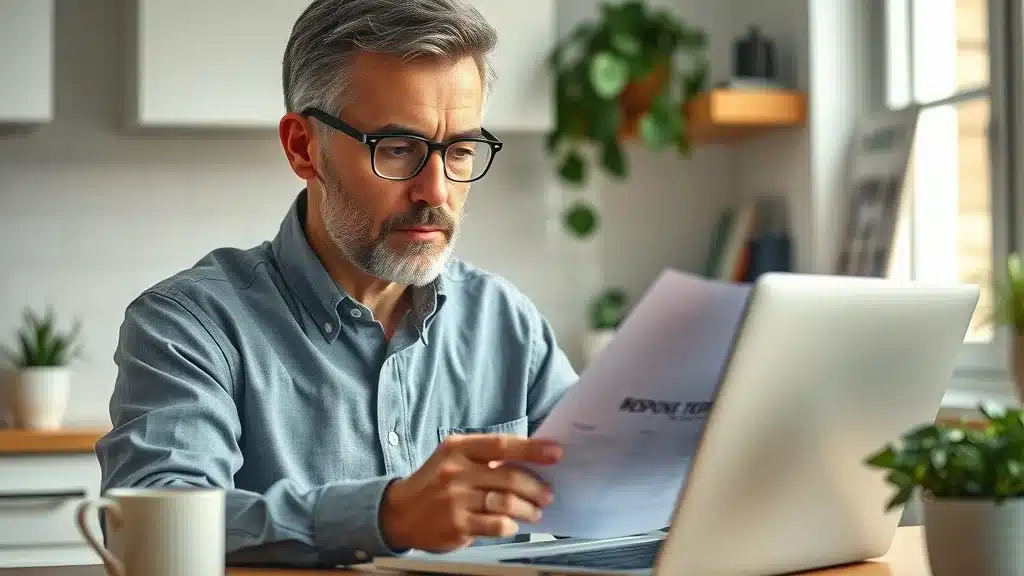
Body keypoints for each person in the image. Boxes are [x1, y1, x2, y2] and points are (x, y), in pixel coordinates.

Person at [94, 0, 578, 568]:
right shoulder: (189, 325)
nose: (437, 192)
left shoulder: (505, 320)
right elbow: (156, 522)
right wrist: (384, 515)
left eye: (461, 151)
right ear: (303, 147)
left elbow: (609, 497)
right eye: (398, 149)